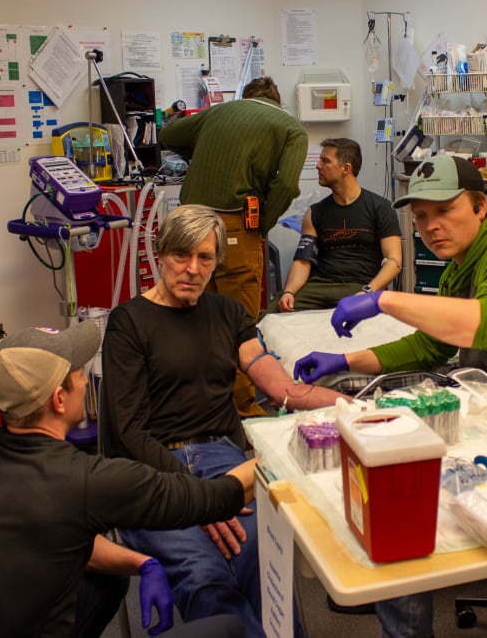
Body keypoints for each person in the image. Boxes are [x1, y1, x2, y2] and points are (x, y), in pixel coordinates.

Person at [293, 153, 487, 638]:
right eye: (420, 218)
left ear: (481, 206)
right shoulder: (463, 263)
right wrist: (344, 361)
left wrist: (384, 299)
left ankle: (401, 599)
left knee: (408, 488)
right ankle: (392, 589)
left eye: (444, 210)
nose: (431, 227)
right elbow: (433, 345)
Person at [100, 204, 349, 638]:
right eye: (181, 256)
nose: (193, 269)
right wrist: (199, 499)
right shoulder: (129, 323)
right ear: (160, 254)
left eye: (205, 258)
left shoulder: (228, 315)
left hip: (222, 460)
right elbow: (128, 431)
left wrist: (352, 406)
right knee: (204, 576)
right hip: (152, 471)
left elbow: (280, 388)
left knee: (262, 556)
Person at [0, 321, 250, 638]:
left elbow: (62, 538)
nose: (83, 379)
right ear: (58, 400)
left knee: (107, 582)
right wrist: (283, 446)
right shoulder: (84, 481)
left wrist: (144, 562)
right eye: (78, 372)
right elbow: (217, 498)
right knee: (227, 629)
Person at [159, 76, 308, 417]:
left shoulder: (219, 112)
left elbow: (167, 134)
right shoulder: (290, 128)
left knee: (189, 318)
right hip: (234, 228)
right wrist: (262, 224)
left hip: (187, 225)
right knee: (235, 324)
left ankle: (195, 404)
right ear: (277, 101)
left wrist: (197, 155)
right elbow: (286, 183)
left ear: (245, 98)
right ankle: (240, 411)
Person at [268, 138, 402, 313]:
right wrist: (289, 292)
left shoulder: (381, 208)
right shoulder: (314, 212)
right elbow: (303, 261)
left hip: (361, 285)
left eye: (325, 161)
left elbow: (394, 261)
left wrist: (367, 291)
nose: (318, 166)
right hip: (320, 286)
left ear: (346, 169)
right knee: (270, 316)